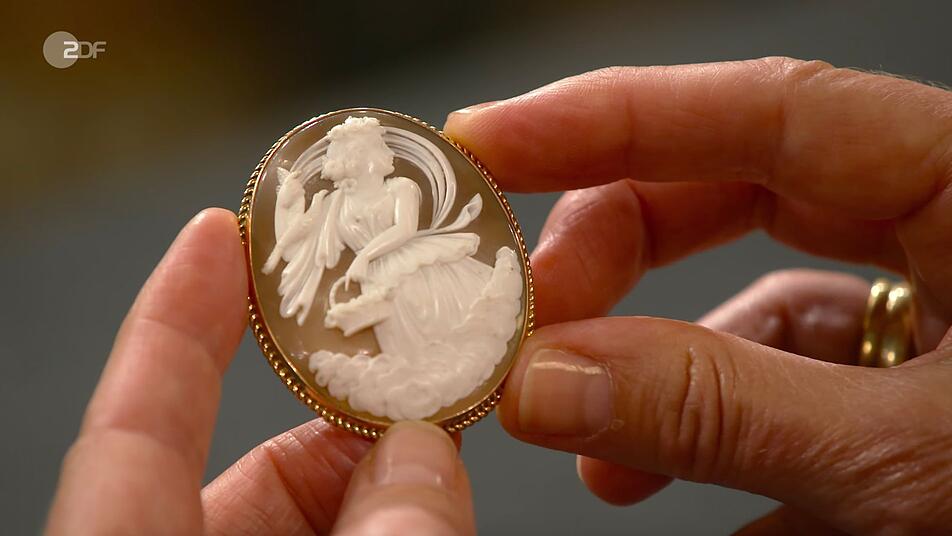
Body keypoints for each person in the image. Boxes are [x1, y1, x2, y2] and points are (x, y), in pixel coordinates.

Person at [46, 57, 952, 535]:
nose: (356, 166)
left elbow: (397, 239)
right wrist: (348, 263)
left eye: (360, 155)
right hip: (377, 280)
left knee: (391, 284)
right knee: (368, 300)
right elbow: (337, 245)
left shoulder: (399, 193)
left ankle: (391, 326)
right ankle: (378, 327)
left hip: (415, 259)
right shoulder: (336, 200)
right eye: (350, 158)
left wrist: (372, 269)